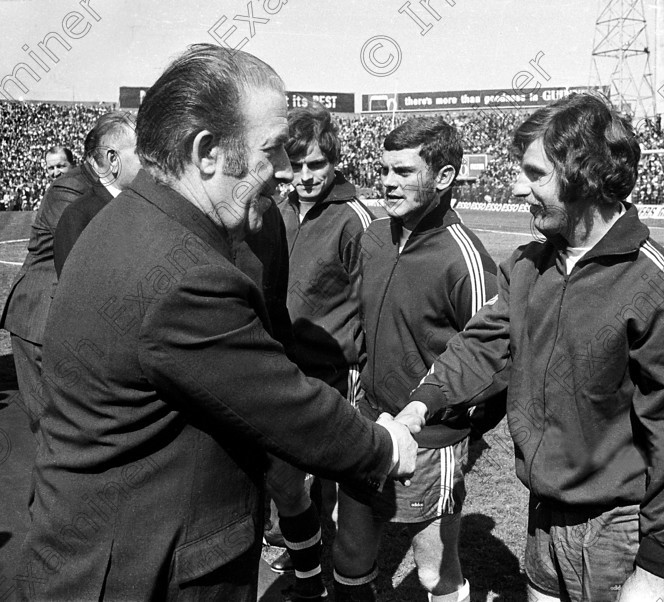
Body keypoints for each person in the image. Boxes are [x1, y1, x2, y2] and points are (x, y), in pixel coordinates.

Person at [16, 43, 417, 601]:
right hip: (143, 567)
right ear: (206, 153)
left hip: (104, 550)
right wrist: (385, 446)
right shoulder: (182, 274)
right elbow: (278, 401)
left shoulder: (128, 220)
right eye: (272, 151)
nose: (282, 173)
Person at [396, 95, 664, 601]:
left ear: (583, 175)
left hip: (621, 526)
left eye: (533, 174)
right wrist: (423, 402)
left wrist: (655, 568)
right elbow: (484, 344)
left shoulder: (663, 290)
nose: (516, 188)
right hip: (544, 511)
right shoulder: (528, 265)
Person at [332, 117, 500, 602]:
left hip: (430, 441)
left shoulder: (464, 259)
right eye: (385, 169)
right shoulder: (374, 238)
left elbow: (493, 357)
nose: (388, 181)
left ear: (443, 178)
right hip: (366, 427)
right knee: (350, 556)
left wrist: (455, 430)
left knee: (435, 576)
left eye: (404, 171)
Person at [262, 104, 374, 594]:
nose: (306, 177)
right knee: (285, 484)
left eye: (317, 165)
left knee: (336, 491)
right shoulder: (277, 211)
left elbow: (373, 303)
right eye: (298, 165)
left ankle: (345, 576)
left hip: (334, 374)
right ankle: (309, 578)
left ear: (334, 163)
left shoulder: (356, 220)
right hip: (281, 371)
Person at [1, 133, 102, 434]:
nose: (56, 173)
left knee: (58, 419)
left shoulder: (70, 191)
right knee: (49, 421)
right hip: (37, 311)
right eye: (51, 169)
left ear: (73, 164)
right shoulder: (64, 192)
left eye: (61, 166)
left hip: (48, 310)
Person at [53, 111, 141, 276]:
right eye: (141, 151)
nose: (151, 159)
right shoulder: (79, 217)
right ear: (113, 160)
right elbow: (74, 290)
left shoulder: (148, 206)